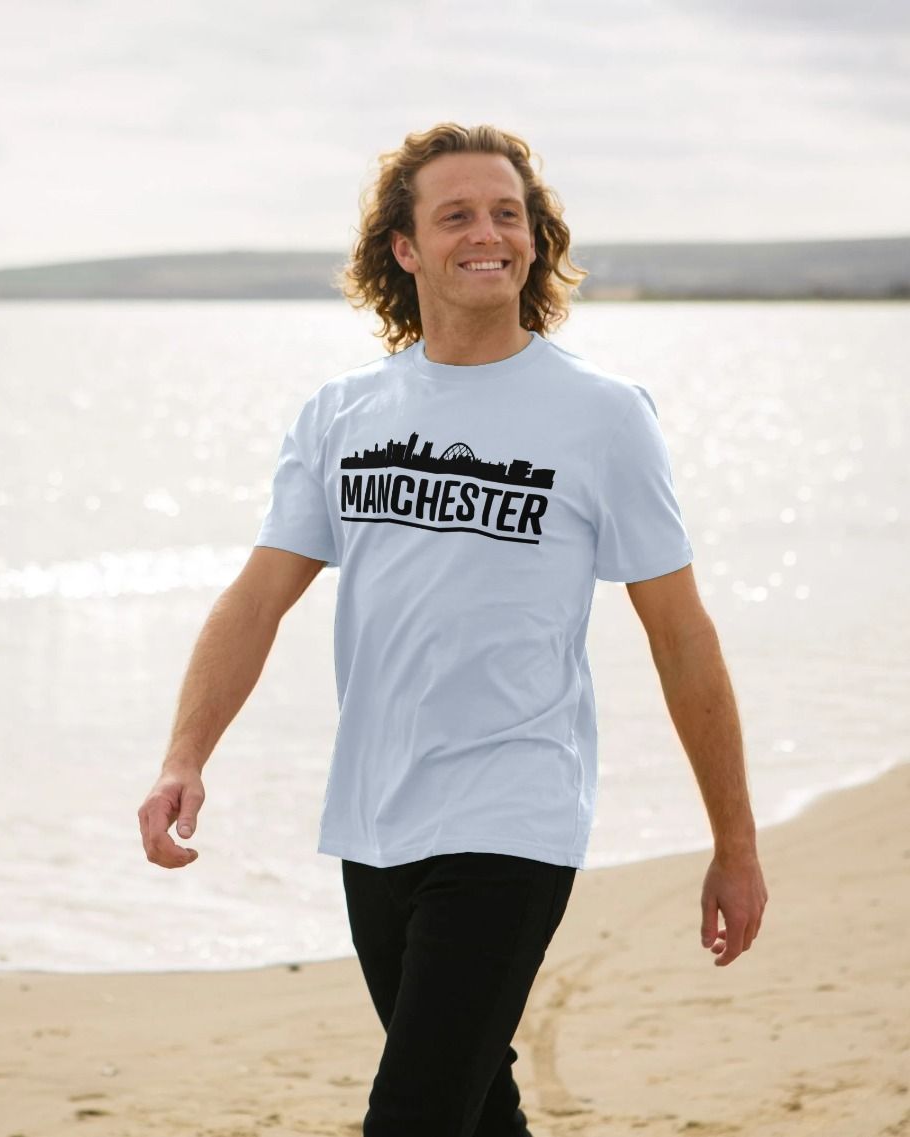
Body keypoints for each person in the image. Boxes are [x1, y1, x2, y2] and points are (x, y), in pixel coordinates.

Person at [138, 121, 769, 1136]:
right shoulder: (342, 413)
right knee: (477, 1109)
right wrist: (184, 755)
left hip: (515, 810)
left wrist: (734, 844)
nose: (491, 234)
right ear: (404, 248)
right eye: (458, 215)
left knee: (415, 1115)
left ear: (535, 238)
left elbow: (680, 634)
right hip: (374, 816)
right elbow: (257, 598)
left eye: (509, 213)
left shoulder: (602, 416)